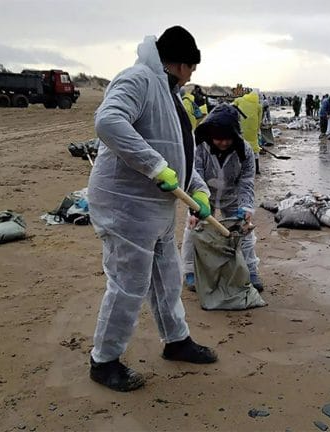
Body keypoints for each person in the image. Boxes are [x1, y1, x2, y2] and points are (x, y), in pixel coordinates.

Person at [87, 25, 217, 393]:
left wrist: (200, 190)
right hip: (125, 207)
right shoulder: (138, 80)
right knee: (128, 284)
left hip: (157, 210)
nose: (192, 75)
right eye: (192, 67)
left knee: (167, 278)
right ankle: (104, 360)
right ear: (178, 62)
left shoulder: (171, 95)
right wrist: (153, 166)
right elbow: (108, 122)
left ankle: (176, 340)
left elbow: (178, 152)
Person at [180, 103, 263, 291]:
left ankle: (251, 270)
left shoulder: (245, 152)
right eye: (219, 139)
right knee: (193, 229)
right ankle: (191, 271)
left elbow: (246, 181)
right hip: (203, 194)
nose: (223, 143)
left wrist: (246, 207)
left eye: (228, 139)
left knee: (245, 233)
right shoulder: (199, 147)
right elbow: (195, 175)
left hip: (232, 196)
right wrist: (195, 208)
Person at [232, 90, 262, 174]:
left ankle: (240, 168)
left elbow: (233, 106)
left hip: (241, 128)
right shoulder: (258, 106)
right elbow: (259, 120)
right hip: (252, 130)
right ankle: (257, 169)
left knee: (240, 147)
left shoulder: (240, 100)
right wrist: (257, 130)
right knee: (255, 149)